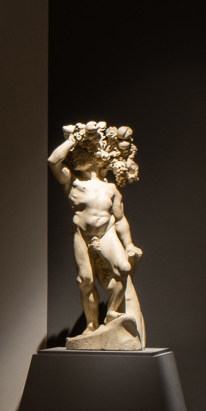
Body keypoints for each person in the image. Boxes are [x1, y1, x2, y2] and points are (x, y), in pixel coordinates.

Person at [48, 122, 145, 347]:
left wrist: (129, 244)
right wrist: (73, 140)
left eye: (81, 153)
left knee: (123, 268)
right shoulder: (71, 181)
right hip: (82, 235)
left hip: (106, 233)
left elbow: (120, 219)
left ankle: (111, 313)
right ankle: (91, 325)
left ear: (95, 156)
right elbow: (53, 160)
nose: (75, 157)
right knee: (85, 281)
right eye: (74, 155)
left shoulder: (110, 189)